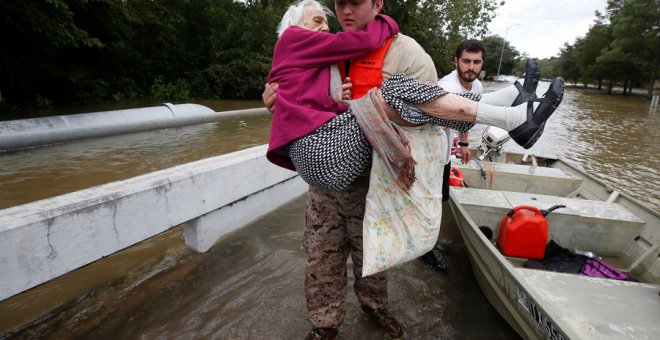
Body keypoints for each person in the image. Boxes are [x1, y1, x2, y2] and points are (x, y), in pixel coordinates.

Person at [264, 1, 564, 339]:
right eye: (339, 4)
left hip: (375, 177)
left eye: (356, 3)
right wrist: (273, 96)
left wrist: (383, 114)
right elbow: (302, 96)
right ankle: (324, 325)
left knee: (376, 252)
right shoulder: (328, 49)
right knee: (321, 257)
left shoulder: (407, 52)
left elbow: (433, 115)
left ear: (377, 4)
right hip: (329, 176)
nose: (344, 12)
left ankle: (374, 307)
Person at [437, 39, 485, 201]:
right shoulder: (447, 87)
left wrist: (463, 143)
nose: (471, 67)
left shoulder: (477, 86)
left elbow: (466, 118)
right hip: (432, 154)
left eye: (476, 62)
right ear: (456, 61)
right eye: (466, 61)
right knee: (434, 199)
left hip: (445, 154)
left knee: (442, 197)